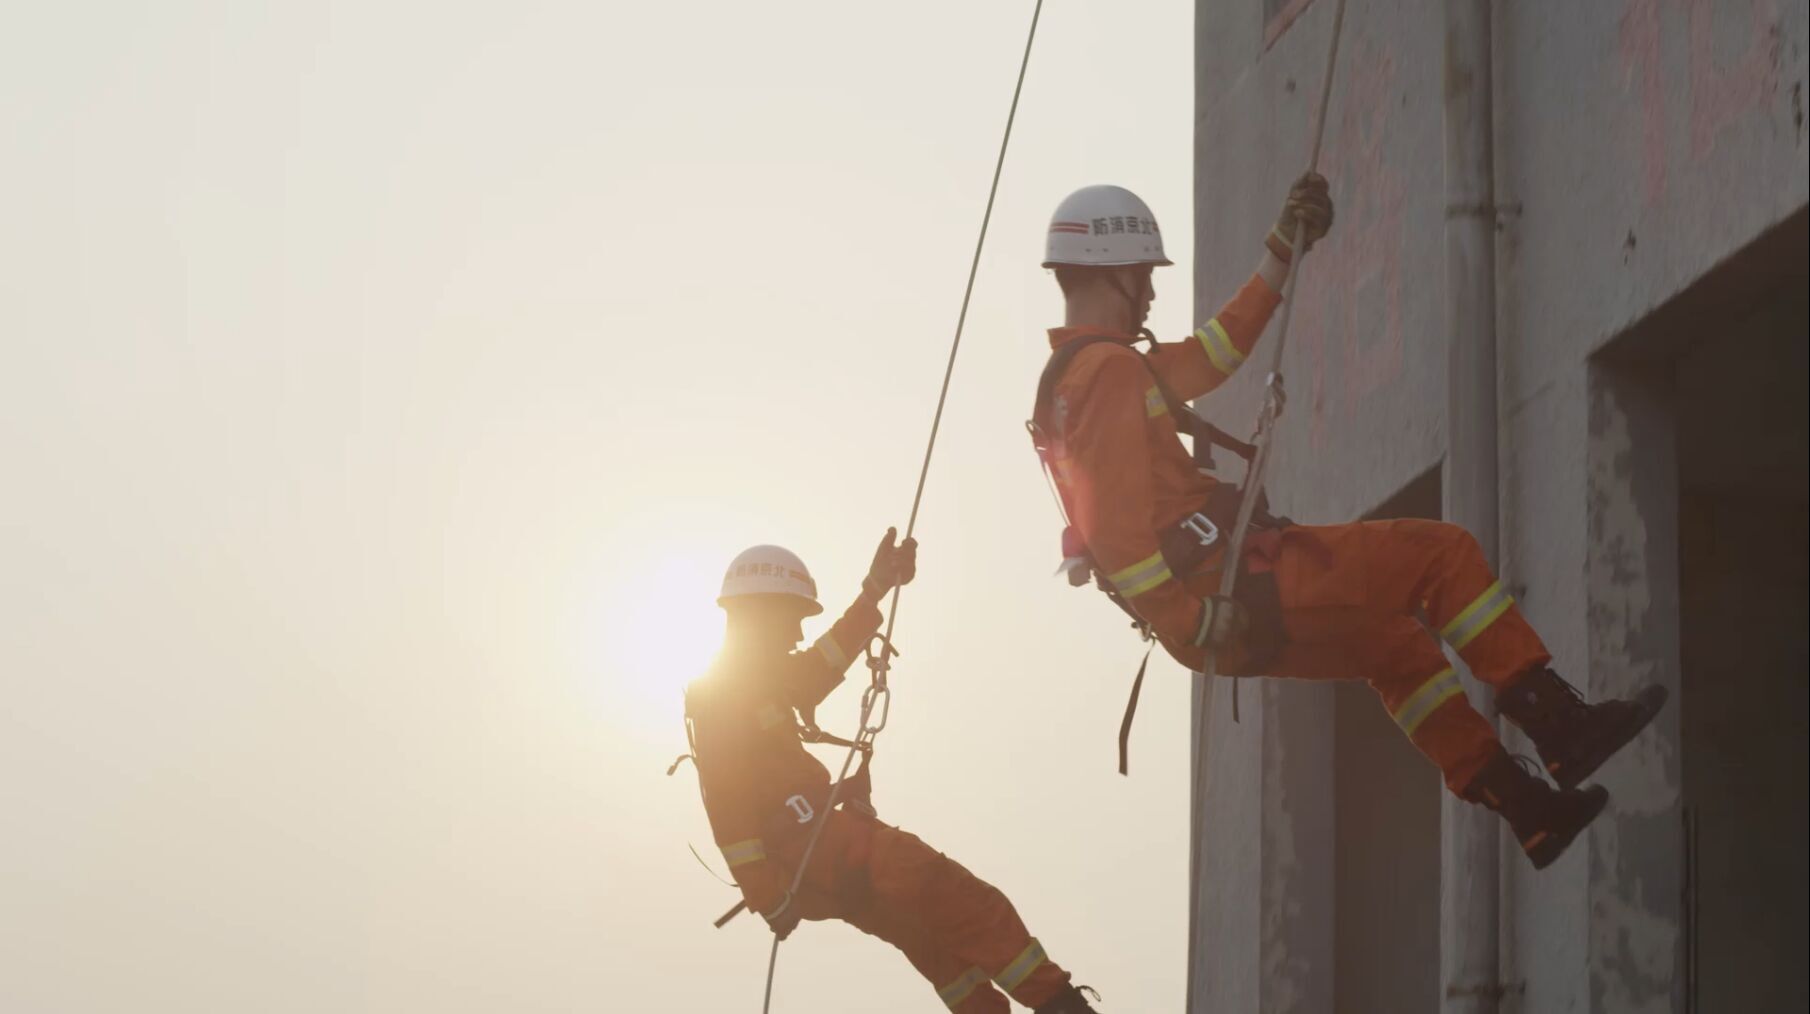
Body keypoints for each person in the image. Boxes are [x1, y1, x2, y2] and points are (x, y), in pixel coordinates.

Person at [1028, 179, 1665, 869]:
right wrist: (1192, 616)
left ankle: (1527, 807)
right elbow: (1120, 537)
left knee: (1397, 650)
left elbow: (1217, 351)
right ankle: (1560, 726)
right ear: (1116, 271)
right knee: (1441, 555)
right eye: (1144, 276)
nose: (1150, 293)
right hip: (1232, 589)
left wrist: (1281, 253)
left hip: (1221, 608)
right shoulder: (1106, 374)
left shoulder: (1089, 376)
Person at [684, 532, 1101, 1012]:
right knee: (960, 898)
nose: (798, 634)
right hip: (816, 850)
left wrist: (875, 589)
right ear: (761, 612)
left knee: (933, 941)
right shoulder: (722, 692)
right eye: (793, 620)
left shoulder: (753, 679)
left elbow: (819, 667)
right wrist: (765, 893)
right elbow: (725, 802)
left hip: (817, 854)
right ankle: (1060, 1004)